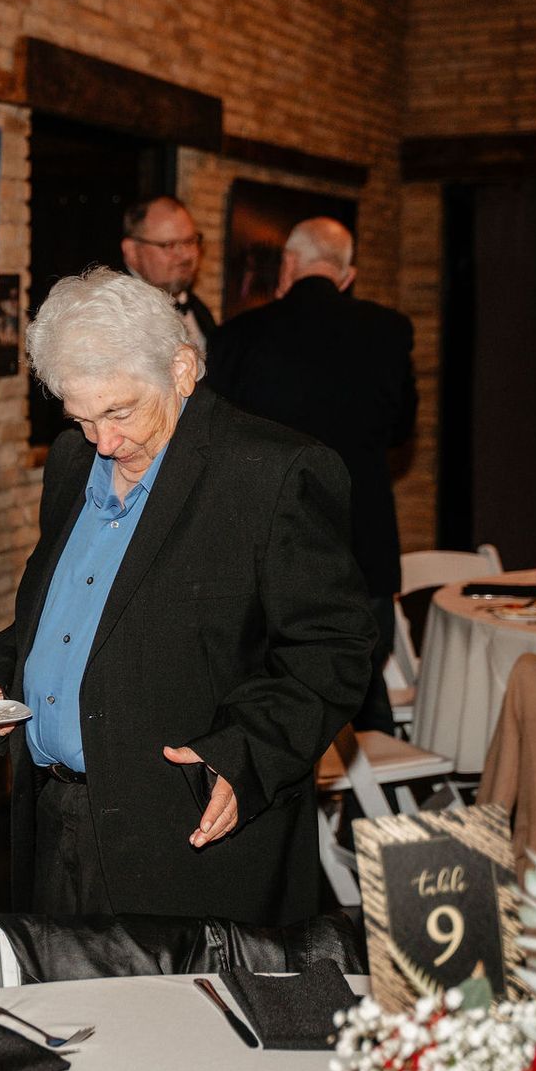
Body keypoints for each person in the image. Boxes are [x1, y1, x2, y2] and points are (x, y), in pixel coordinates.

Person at [0, 266, 374, 926]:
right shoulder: (73, 462)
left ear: (182, 368)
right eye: (81, 416)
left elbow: (336, 649)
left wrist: (247, 754)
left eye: (121, 411)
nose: (104, 440)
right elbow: (53, 616)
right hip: (56, 823)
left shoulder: (272, 472)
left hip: (186, 843)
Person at [208, 218, 417, 735]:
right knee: (362, 686)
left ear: (288, 265)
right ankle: (376, 813)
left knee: (273, 699)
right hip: (361, 540)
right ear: (347, 275)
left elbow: (215, 440)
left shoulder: (239, 335)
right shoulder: (389, 330)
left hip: (269, 545)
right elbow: (400, 430)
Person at [120, 195, 215, 353]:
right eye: (169, 245)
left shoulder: (201, 312)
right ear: (132, 251)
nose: (185, 256)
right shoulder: (113, 312)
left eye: (190, 241)